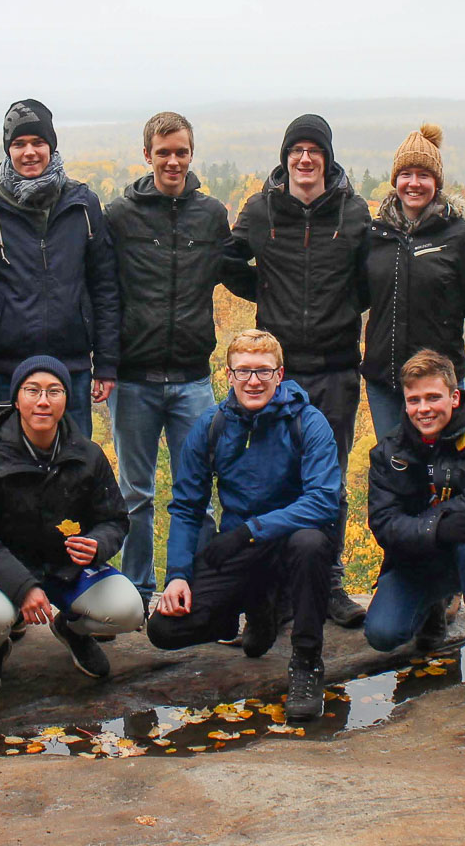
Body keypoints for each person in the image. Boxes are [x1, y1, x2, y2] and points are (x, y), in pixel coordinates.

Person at [146, 329, 345, 721]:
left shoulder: (308, 422)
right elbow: (187, 506)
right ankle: (258, 606)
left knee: (310, 545)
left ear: (280, 374)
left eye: (263, 372)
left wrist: (252, 529)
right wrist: (178, 576)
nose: (253, 381)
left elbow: (323, 500)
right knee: (164, 631)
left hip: (290, 541)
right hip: (242, 547)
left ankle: (306, 663)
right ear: (228, 375)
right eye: (244, 372)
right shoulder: (212, 426)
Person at [222, 114, 370, 628]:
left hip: (335, 369)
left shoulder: (353, 212)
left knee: (328, 482)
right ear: (285, 158)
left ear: (327, 158)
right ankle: (278, 589)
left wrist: (341, 310)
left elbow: (368, 278)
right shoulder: (261, 210)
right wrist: (268, 293)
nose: (305, 159)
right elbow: (228, 261)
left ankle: (327, 582)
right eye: (296, 150)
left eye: (314, 150)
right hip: (278, 375)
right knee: (275, 479)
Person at [0, 356, 143, 700]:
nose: (43, 401)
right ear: (16, 399)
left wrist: (97, 544)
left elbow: (115, 519)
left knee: (129, 611)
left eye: (54, 391)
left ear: (66, 400)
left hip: (67, 569)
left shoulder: (87, 455)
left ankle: (71, 629)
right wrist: (23, 586)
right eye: (33, 391)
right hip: (7, 570)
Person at [103, 111, 230, 610]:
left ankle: (199, 592)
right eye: (163, 152)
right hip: (133, 378)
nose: (172, 160)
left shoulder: (211, 214)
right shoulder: (120, 215)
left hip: (192, 378)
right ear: (147, 155)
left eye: (181, 151)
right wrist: (105, 365)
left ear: (191, 153)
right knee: (134, 494)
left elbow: (234, 269)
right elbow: (104, 291)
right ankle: (136, 593)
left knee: (196, 492)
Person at [0, 99, 119, 438]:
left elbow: (104, 288)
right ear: (7, 149)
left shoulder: (83, 204)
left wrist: (105, 363)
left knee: (74, 472)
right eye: (19, 144)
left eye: (38, 142)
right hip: (5, 372)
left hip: (70, 369)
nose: (29, 152)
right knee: (10, 476)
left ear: (51, 146)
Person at [363, 349, 465, 705]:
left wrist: (432, 523)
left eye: (433, 397)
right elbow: (384, 523)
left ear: (454, 396)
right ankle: (432, 609)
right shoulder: (389, 452)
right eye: (414, 400)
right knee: (383, 634)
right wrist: (439, 527)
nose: (423, 409)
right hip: (421, 558)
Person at [361, 123, 465, 442]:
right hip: (386, 386)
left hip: (441, 389)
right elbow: (353, 300)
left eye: (423, 175)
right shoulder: (375, 236)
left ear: (436, 182)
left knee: (446, 479)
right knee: (396, 478)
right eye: (405, 174)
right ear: (394, 180)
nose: (414, 183)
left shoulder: (462, 238)